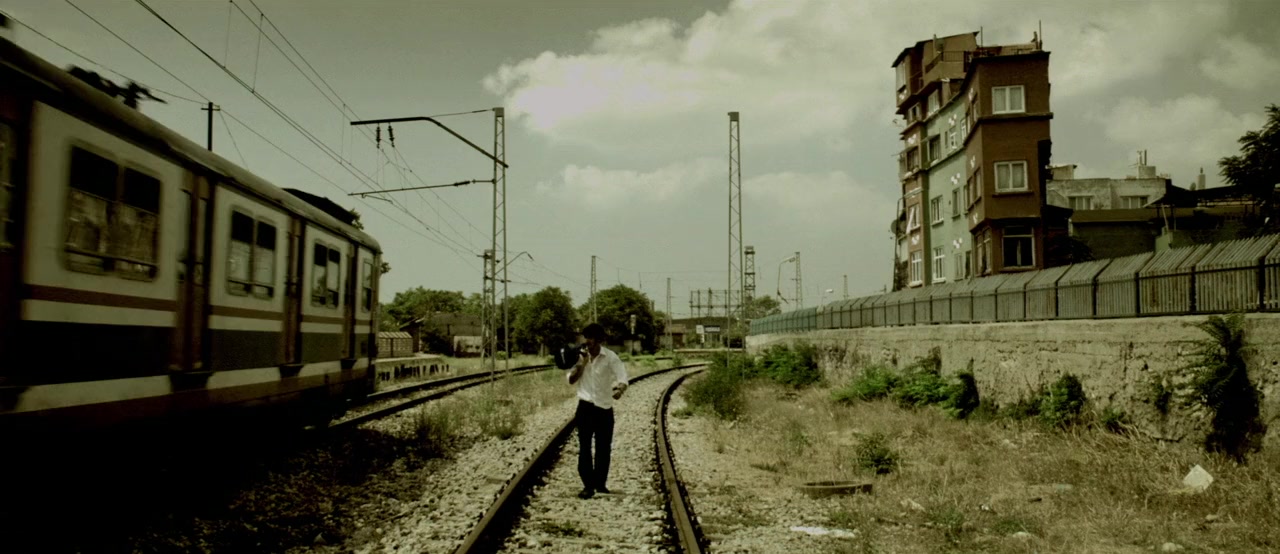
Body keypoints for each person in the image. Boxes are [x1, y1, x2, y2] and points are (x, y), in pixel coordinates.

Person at [566, 322, 629, 499]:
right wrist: (582, 363)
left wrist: (619, 389)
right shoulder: (578, 357)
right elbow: (571, 380)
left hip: (604, 407)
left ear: (599, 340)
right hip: (585, 407)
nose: (587, 341)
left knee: (603, 448)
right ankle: (588, 486)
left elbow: (622, 377)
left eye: (591, 338)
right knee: (585, 447)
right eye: (586, 337)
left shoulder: (610, 357)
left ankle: (600, 483)